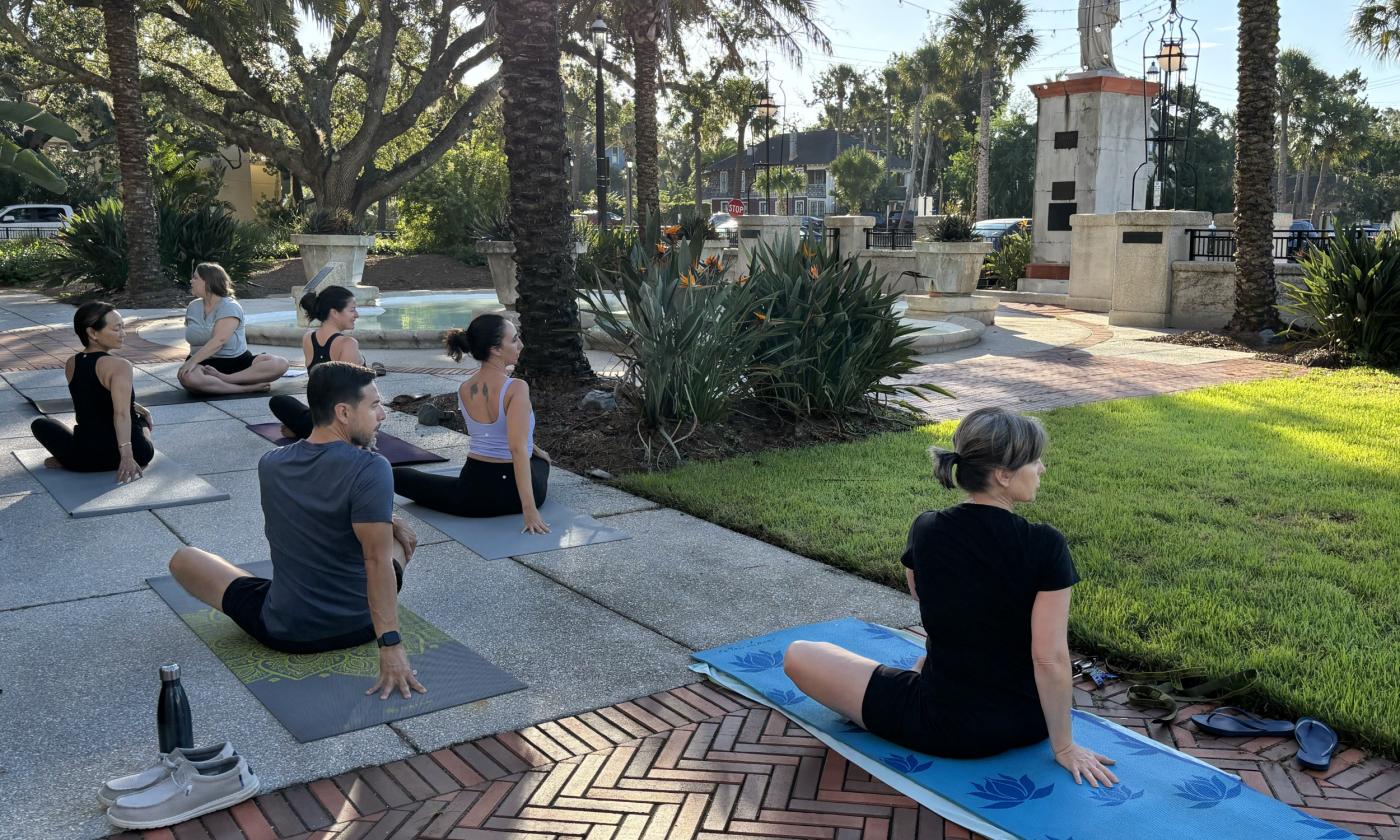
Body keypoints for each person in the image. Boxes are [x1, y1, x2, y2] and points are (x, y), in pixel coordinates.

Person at [783, 407, 1119, 788]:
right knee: (925, 660)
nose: (1042, 468)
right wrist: (1064, 747)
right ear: (1003, 475)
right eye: (1034, 460)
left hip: (946, 726)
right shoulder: (1046, 544)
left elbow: (926, 600)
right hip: (1030, 723)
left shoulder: (927, 529)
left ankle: (910, 681)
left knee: (799, 653)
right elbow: (1050, 657)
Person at [168, 362, 425, 700]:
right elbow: (377, 562)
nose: (382, 416)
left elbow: (314, 509)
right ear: (344, 413)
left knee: (184, 559)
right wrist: (390, 645)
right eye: (374, 406)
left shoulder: (271, 464)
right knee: (393, 540)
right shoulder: (372, 468)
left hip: (288, 631)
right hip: (362, 625)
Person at [392, 314, 551, 534]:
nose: (520, 344)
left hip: (472, 490)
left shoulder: (464, 388)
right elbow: (516, 448)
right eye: (514, 339)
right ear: (495, 349)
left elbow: (496, 437)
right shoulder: (517, 388)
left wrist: (533, 449)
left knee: (398, 477)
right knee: (542, 463)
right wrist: (530, 510)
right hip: (512, 494)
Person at [30, 301, 154, 483]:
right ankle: (143, 429)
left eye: (122, 328)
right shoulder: (120, 366)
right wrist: (127, 457)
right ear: (92, 333)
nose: (123, 334)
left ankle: (66, 459)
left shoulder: (72, 363)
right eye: (117, 329)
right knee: (141, 420)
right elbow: (120, 413)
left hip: (85, 458)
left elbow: (93, 400)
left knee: (40, 424)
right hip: (135, 453)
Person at [178, 262, 289, 395]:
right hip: (203, 363)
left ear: (208, 282)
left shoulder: (230, 306)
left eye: (195, 278)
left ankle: (226, 379)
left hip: (236, 362)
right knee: (188, 378)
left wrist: (191, 362)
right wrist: (193, 362)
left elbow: (219, 340)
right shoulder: (193, 307)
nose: (191, 281)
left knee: (280, 363)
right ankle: (244, 388)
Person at [269, 285, 362, 440]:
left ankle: (310, 430)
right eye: (352, 310)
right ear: (334, 313)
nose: (357, 315)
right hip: (344, 422)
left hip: (324, 417)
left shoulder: (308, 338)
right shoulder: (348, 343)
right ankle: (320, 430)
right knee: (280, 400)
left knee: (279, 402)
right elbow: (351, 393)